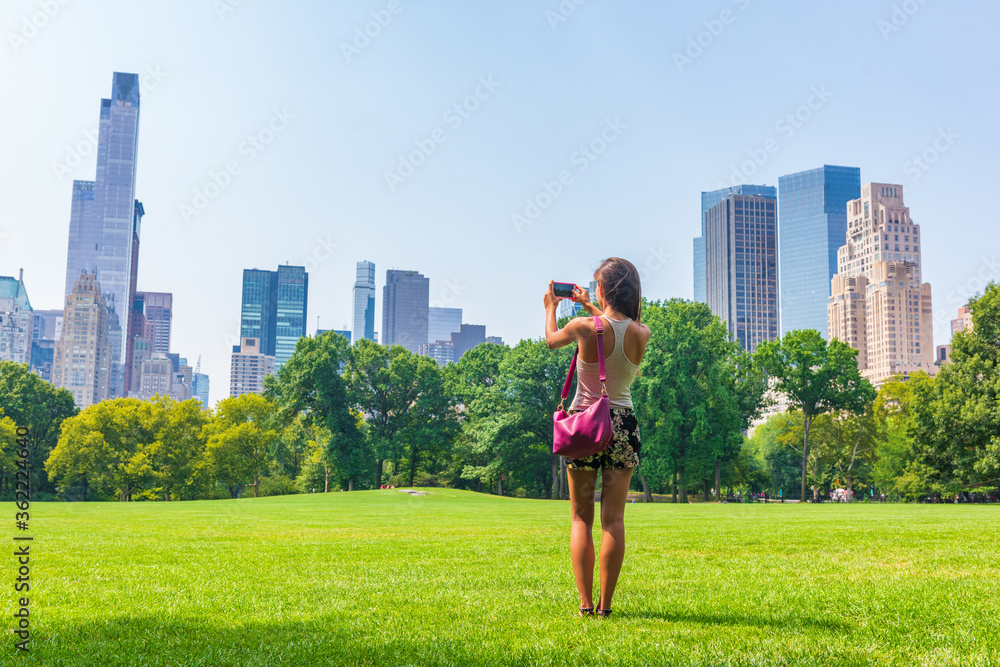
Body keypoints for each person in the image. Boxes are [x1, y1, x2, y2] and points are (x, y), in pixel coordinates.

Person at [544, 258, 651, 619]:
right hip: (623, 424)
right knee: (614, 520)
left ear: (603, 290)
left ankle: (586, 605)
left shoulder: (583, 326)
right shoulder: (642, 333)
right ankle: (607, 607)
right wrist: (593, 305)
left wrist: (551, 308)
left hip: (585, 425)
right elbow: (613, 328)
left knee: (580, 518)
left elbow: (551, 341)